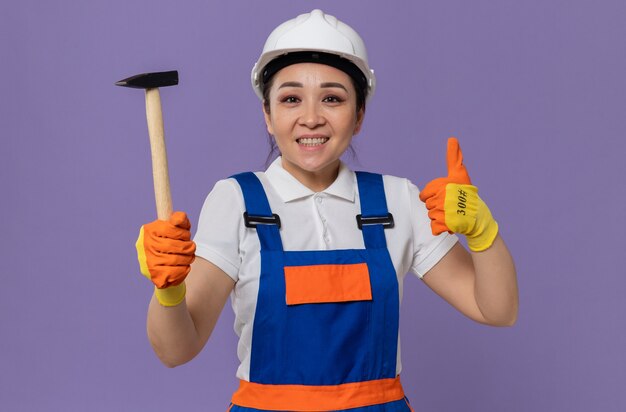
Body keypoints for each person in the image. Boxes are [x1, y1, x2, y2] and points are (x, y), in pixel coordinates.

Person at [135, 9, 518, 412]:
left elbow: (497, 310)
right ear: (268, 114)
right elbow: (176, 350)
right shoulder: (237, 201)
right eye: (290, 99)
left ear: (359, 116)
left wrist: (482, 234)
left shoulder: (397, 200)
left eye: (332, 98)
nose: (312, 118)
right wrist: (168, 289)